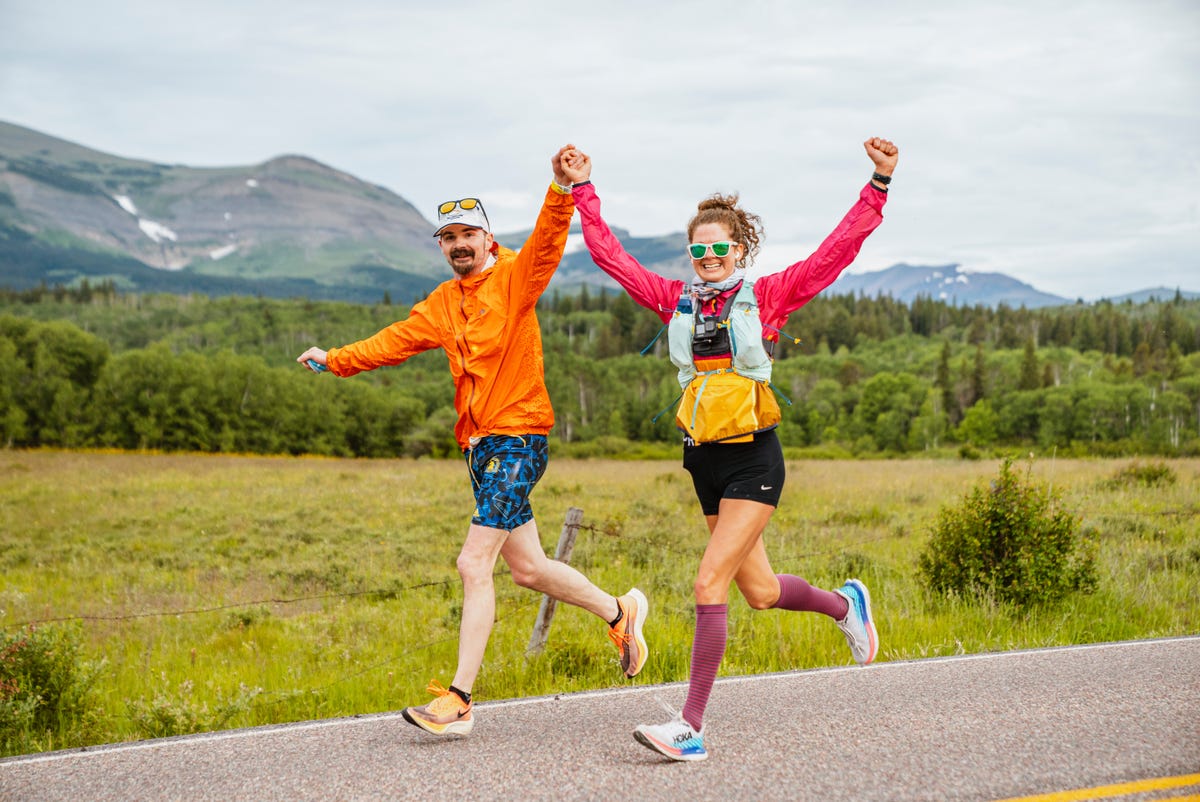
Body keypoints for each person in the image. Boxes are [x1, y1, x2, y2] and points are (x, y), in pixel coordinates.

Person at [559, 138, 899, 761]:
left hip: (753, 458)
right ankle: (845, 605)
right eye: (699, 250)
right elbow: (610, 258)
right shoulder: (674, 300)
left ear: (740, 251)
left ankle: (690, 727)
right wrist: (584, 189)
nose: (709, 257)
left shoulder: (768, 297)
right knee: (760, 591)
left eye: (720, 249)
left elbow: (835, 254)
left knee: (708, 581)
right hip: (703, 460)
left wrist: (876, 183)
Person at [296, 144, 649, 738]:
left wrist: (561, 188)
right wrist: (335, 360)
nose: (459, 245)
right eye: (448, 237)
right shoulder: (441, 303)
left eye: (469, 234)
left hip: (519, 439)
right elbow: (393, 341)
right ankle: (622, 612)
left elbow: (547, 241)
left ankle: (459, 700)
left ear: (488, 239)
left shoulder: (516, 278)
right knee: (531, 570)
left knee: (472, 562)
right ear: (441, 246)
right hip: (479, 448)